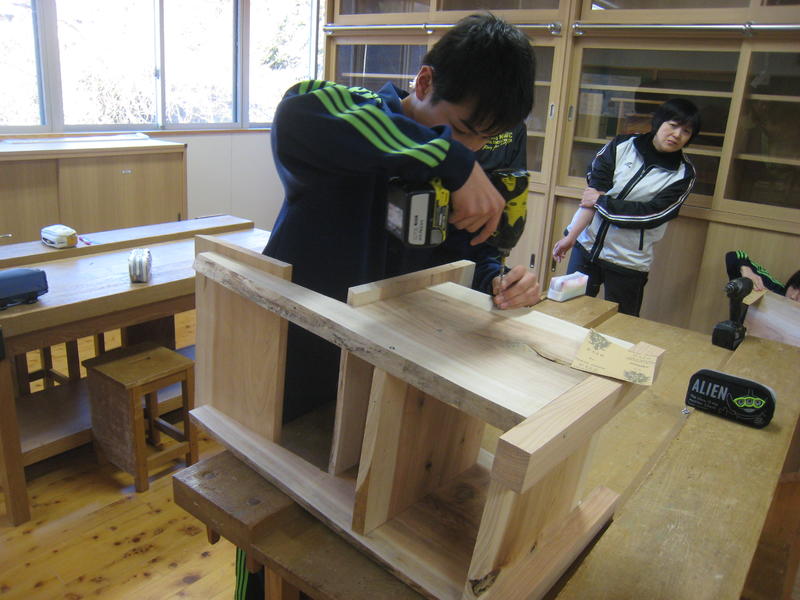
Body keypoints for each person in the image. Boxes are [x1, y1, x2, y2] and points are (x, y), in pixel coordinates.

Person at [263, 13, 540, 423]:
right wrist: (450, 157)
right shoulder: (361, 116)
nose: (473, 149)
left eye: (485, 138)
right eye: (463, 129)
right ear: (425, 83)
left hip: (388, 363)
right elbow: (297, 107)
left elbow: (462, 251)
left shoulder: (457, 167)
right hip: (302, 352)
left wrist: (496, 282)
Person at [551, 98, 701, 316]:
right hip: (586, 248)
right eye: (673, 125)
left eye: (686, 131)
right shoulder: (622, 145)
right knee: (568, 313)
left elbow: (650, 215)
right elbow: (592, 194)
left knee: (620, 325)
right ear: (659, 122)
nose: (677, 135)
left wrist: (602, 202)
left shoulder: (683, 174)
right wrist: (571, 236)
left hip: (628, 261)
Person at [725, 250, 800, 301]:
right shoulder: (774, 288)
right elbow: (733, 256)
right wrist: (746, 270)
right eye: (794, 287)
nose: (793, 296)